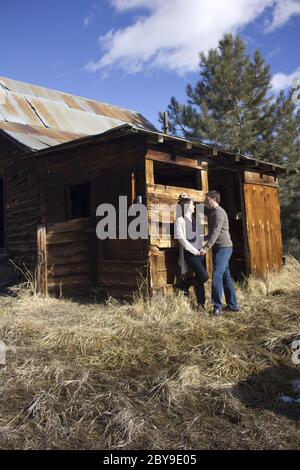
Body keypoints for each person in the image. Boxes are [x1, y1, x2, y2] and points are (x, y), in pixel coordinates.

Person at [199, 190, 239, 316]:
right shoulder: (211, 211)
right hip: (219, 248)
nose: (205, 201)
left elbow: (215, 232)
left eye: (207, 199)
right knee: (226, 276)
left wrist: (205, 248)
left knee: (216, 275)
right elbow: (211, 232)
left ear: (214, 200)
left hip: (224, 248)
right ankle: (233, 306)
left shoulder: (219, 213)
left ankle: (217, 307)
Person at [174, 195, 209, 311]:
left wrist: (205, 246)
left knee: (200, 280)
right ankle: (187, 283)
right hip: (190, 254)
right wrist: (194, 251)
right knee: (204, 276)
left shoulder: (194, 220)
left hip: (200, 253)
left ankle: (201, 305)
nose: (194, 206)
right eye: (192, 204)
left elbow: (198, 237)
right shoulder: (180, 220)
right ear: (187, 206)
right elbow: (181, 239)